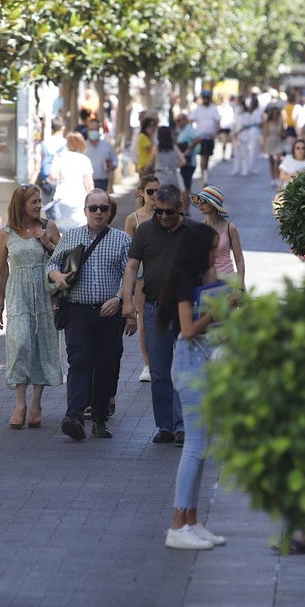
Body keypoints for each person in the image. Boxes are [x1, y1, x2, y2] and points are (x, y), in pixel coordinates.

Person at [162, 223, 229, 550]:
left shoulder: (200, 277)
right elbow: (188, 329)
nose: (216, 254)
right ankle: (178, 524)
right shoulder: (184, 280)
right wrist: (216, 310)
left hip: (201, 359)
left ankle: (191, 519)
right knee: (195, 446)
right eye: (212, 248)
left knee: (201, 447)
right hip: (191, 362)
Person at [49, 189, 135, 441]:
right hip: (77, 310)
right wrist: (58, 277)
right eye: (93, 208)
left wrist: (120, 300)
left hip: (109, 313)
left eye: (103, 208)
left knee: (105, 365)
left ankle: (99, 418)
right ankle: (74, 415)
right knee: (79, 361)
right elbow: (52, 263)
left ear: (110, 211)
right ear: (85, 210)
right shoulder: (71, 236)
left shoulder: (121, 240)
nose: (98, 213)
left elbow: (128, 275)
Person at [120, 184, 190, 444]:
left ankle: (182, 424)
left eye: (169, 213)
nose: (163, 217)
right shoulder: (145, 230)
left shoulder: (192, 232)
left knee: (182, 369)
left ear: (180, 208)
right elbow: (131, 267)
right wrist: (128, 302)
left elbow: (206, 271)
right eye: (159, 211)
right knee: (159, 371)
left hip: (184, 308)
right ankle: (165, 426)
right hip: (153, 308)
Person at [0, 185, 63, 430]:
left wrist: (48, 242)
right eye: (33, 202)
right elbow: (0, 270)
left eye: (39, 201)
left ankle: (35, 403)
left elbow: (63, 259)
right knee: (20, 343)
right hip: (18, 295)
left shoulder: (49, 227)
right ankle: (19, 402)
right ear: (20, 204)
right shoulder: (7, 233)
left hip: (44, 295)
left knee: (41, 346)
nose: (38, 205)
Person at [124, 176, 160, 385]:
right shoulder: (133, 219)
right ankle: (147, 365)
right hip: (141, 276)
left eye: (157, 191)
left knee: (165, 317)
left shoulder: (166, 215)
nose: (154, 195)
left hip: (163, 274)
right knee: (144, 320)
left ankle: (163, 360)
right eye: (150, 191)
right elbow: (128, 255)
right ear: (141, 193)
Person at [191, 185, 244, 285]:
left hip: (228, 281)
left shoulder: (230, 228)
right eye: (199, 200)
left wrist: (241, 284)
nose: (200, 204)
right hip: (207, 282)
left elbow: (239, 259)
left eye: (204, 201)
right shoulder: (200, 228)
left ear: (214, 205)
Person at [47, 131, 94, 231]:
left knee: (60, 231)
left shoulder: (59, 157)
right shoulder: (84, 159)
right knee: (79, 230)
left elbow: (52, 176)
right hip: (79, 200)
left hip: (61, 198)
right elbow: (89, 184)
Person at [190, 91, 222, 184]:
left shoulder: (213, 109)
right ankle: (203, 177)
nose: (205, 99)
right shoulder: (198, 109)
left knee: (207, 157)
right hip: (200, 137)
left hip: (209, 137)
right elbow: (191, 119)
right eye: (204, 98)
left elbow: (218, 121)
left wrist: (215, 133)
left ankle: (204, 174)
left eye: (207, 98)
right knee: (202, 156)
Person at [83, 117, 117, 192]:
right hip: (86, 182)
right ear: (88, 130)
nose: (93, 131)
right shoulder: (83, 146)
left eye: (96, 129)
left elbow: (114, 161)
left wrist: (112, 166)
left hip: (103, 182)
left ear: (99, 130)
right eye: (91, 129)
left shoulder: (107, 145)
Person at [232, 92, 262, 177]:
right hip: (237, 133)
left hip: (243, 134)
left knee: (243, 152)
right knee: (236, 153)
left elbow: (244, 125)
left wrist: (237, 132)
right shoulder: (237, 109)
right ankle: (236, 168)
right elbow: (235, 123)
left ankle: (245, 169)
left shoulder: (245, 112)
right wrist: (234, 132)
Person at [153, 125, 185, 194]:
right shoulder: (174, 147)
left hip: (160, 176)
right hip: (172, 175)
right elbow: (183, 161)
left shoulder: (156, 148)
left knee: (160, 200)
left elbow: (151, 162)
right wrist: (174, 166)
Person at [261, 106, 286, 190]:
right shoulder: (267, 122)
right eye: (274, 113)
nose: (275, 115)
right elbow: (265, 134)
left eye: (277, 113)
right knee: (271, 161)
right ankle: (273, 178)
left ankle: (278, 177)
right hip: (270, 141)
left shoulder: (281, 122)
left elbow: (283, 133)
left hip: (278, 141)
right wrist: (263, 144)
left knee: (278, 161)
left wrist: (282, 133)